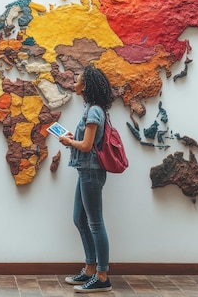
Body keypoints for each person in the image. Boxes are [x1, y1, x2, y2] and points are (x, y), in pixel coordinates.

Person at [59, 65, 114, 293]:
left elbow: (87, 146)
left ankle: (102, 276)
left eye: (78, 80)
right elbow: (86, 142)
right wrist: (73, 137)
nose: (74, 83)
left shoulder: (94, 111)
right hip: (85, 170)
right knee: (79, 220)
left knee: (95, 223)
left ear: (86, 85)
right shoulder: (91, 109)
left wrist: (69, 142)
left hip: (91, 172)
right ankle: (90, 269)